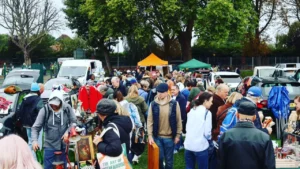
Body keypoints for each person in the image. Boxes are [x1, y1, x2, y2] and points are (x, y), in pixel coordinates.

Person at [219, 101, 275, 169]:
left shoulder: (226, 136)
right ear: (254, 117)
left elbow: (220, 163)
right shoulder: (264, 138)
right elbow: (269, 165)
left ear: (237, 115)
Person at [31, 90, 77, 169]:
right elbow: (35, 127)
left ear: (61, 102)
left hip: (63, 146)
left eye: (56, 104)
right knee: (48, 167)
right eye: (52, 104)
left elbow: (74, 122)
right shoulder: (44, 110)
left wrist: (67, 132)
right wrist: (34, 141)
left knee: (63, 166)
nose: (54, 106)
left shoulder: (67, 108)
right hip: (50, 146)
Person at [147, 83, 182, 169]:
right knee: (159, 158)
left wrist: (178, 135)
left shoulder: (174, 104)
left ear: (167, 92)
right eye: (158, 92)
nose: (159, 94)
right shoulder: (153, 104)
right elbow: (150, 120)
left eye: (161, 92)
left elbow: (178, 120)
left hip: (169, 137)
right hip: (157, 137)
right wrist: (150, 136)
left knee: (169, 161)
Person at [93, 99, 133, 169]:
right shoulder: (122, 120)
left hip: (114, 163)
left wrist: (99, 143)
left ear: (100, 114)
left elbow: (115, 149)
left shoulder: (110, 128)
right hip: (123, 160)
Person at [184, 92, 213, 169]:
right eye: (211, 101)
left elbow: (187, 127)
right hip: (200, 146)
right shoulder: (207, 113)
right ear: (205, 101)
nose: (212, 103)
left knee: (189, 167)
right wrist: (209, 139)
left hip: (189, 144)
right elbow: (207, 132)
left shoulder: (192, 110)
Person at [16, 83, 44, 160]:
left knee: (30, 142)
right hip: (36, 125)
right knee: (37, 143)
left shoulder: (24, 99)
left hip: (27, 124)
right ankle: (35, 160)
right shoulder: (38, 100)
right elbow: (42, 112)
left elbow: (20, 111)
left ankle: (29, 158)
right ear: (38, 90)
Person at [171, 85, 187, 154]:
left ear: (178, 90)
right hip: (174, 117)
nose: (172, 91)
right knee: (178, 132)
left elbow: (182, 110)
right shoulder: (172, 97)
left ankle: (176, 148)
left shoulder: (181, 98)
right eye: (171, 90)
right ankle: (181, 144)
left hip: (179, 118)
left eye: (174, 90)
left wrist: (181, 119)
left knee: (177, 132)